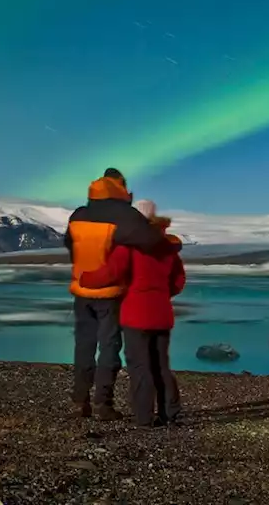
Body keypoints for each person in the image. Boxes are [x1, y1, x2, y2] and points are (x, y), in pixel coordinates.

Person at [64, 168, 167, 420]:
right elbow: (150, 242)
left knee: (83, 345)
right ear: (120, 187)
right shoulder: (125, 215)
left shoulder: (79, 214)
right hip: (110, 292)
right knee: (109, 346)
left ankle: (79, 401)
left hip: (81, 290)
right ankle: (103, 404)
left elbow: (69, 243)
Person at [80, 199, 185, 428]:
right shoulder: (167, 248)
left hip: (136, 313)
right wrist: (161, 295)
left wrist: (85, 278)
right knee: (160, 364)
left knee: (140, 366)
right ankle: (170, 413)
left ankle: (144, 418)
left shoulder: (129, 245)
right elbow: (178, 281)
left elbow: (111, 273)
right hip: (161, 313)